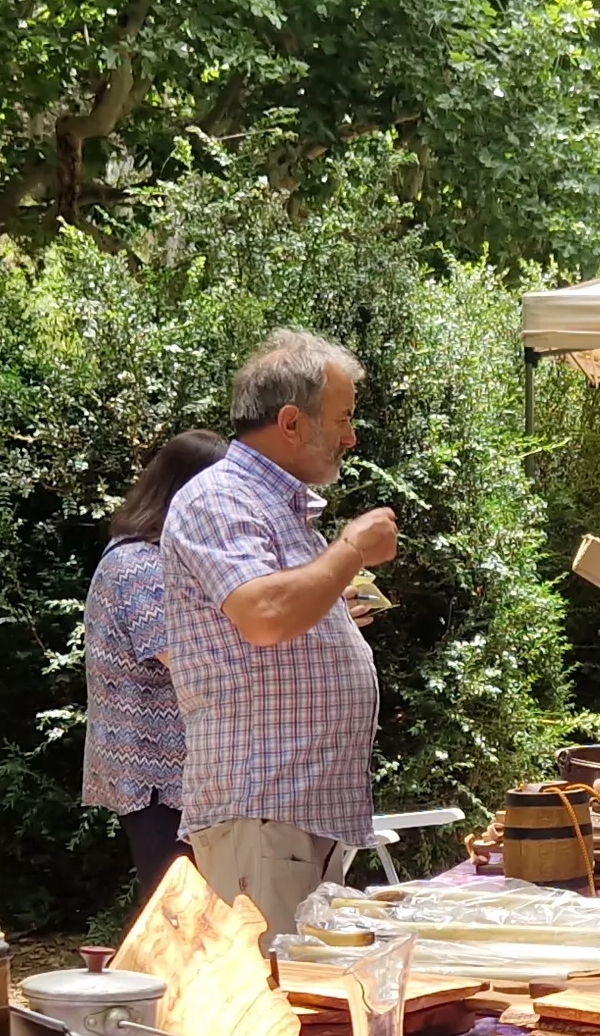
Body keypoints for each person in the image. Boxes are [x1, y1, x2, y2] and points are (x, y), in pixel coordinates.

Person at [162, 331, 399, 938]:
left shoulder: (275, 507)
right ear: (292, 422)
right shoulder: (219, 497)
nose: (351, 437)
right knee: (272, 988)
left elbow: (279, 610)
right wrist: (351, 548)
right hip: (263, 810)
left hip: (292, 812)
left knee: (304, 987)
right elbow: (265, 614)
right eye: (343, 419)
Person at [85, 430, 230, 918]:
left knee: (192, 917)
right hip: (156, 775)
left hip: (176, 773)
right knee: (181, 919)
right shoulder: (138, 566)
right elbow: (190, 661)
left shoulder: (158, 558)